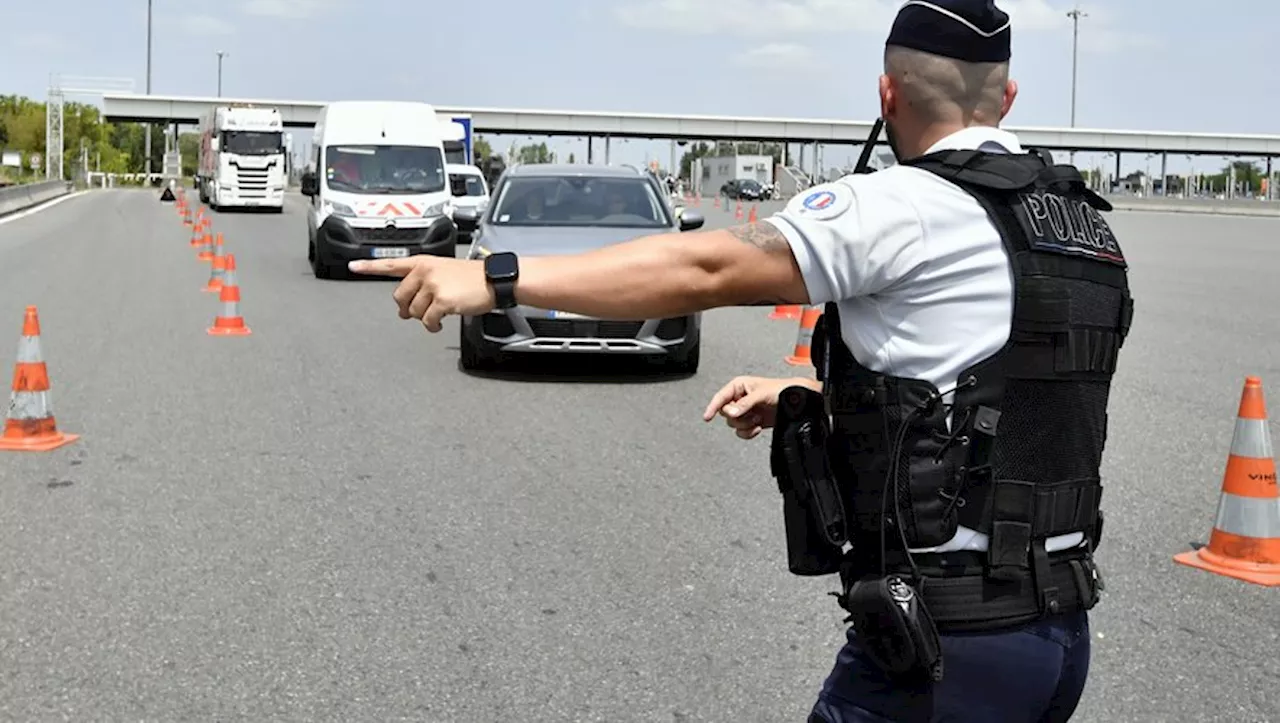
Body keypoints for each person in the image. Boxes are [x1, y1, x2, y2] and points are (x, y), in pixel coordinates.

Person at [349, 1, 1133, 720]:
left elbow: (708, 270)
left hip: (940, 646)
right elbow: (1007, 394)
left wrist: (496, 276)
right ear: (1010, 97)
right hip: (1058, 639)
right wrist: (824, 394)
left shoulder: (906, 203)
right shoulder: (1080, 226)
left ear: (887, 96)